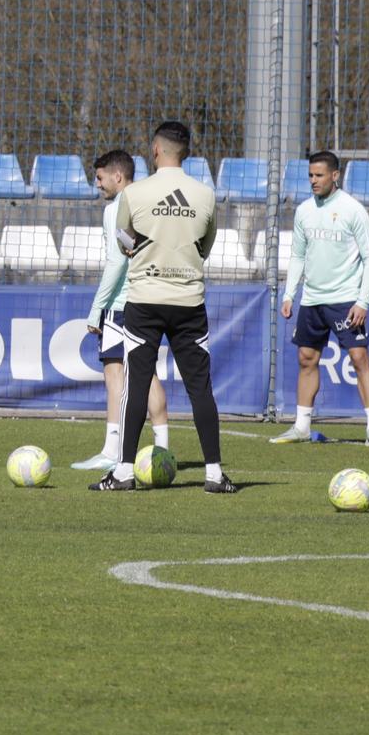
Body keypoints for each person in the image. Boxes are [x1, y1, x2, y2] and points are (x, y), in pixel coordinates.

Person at [91, 120, 234, 494]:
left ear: (155, 151)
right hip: (189, 301)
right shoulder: (204, 195)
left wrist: (144, 249)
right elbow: (206, 245)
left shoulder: (135, 194)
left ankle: (123, 471)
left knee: (136, 385)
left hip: (144, 301)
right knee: (200, 388)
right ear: (184, 152)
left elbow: (123, 240)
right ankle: (215, 474)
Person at [271, 150, 369, 447]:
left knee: (360, 358)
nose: (313, 181)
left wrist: (363, 301)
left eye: (319, 175)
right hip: (311, 301)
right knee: (306, 359)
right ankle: (301, 426)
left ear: (335, 176)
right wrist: (289, 294)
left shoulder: (353, 210)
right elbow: (297, 255)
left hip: (346, 301)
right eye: (310, 175)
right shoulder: (304, 210)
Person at [72, 149, 172, 470]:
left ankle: (111, 451)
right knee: (148, 374)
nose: (97, 184)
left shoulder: (118, 207)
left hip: (121, 304)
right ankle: (163, 449)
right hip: (150, 298)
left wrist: (96, 309)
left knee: (114, 373)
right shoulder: (150, 203)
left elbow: (116, 262)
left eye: (100, 178)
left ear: (118, 177)